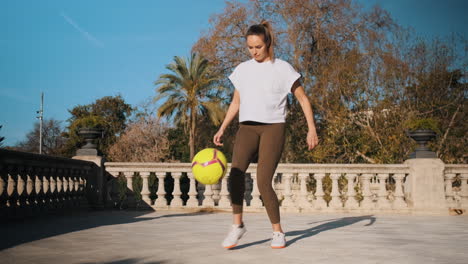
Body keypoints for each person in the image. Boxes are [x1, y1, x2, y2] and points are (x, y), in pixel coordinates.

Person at [213, 21, 319, 249]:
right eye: (250, 47)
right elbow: (236, 102)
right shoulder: (243, 69)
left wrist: (312, 128)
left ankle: (278, 231)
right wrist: (222, 127)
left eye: (258, 47)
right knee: (236, 174)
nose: (254, 51)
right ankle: (237, 226)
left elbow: (302, 98)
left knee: (263, 182)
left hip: (273, 128)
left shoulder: (283, 68)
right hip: (247, 127)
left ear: (268, 43)